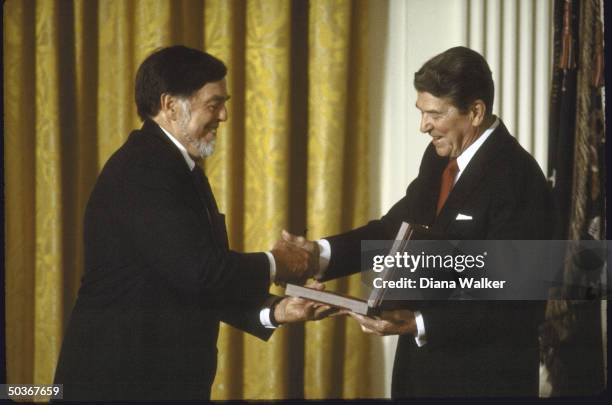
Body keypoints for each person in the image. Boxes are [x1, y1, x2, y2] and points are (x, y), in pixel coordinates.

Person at [53, 45, 328, 401]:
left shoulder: (178, 167)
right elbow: (201, 272)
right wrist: (278, 262)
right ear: (170, 106)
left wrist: (276, 309)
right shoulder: (145, 169)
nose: (225, 115)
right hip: (119, 381)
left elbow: (190, 281)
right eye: (213, 104)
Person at [281, 46, 553, 397]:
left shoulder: (519, 179)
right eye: (421, 112)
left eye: (435, 115)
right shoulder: (439, 158)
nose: (423, 126)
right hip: (421, 376)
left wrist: (418, 322)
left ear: (475, 111)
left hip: (485, 381)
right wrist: (317, 254)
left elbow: (515, 301)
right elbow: (393, 230)